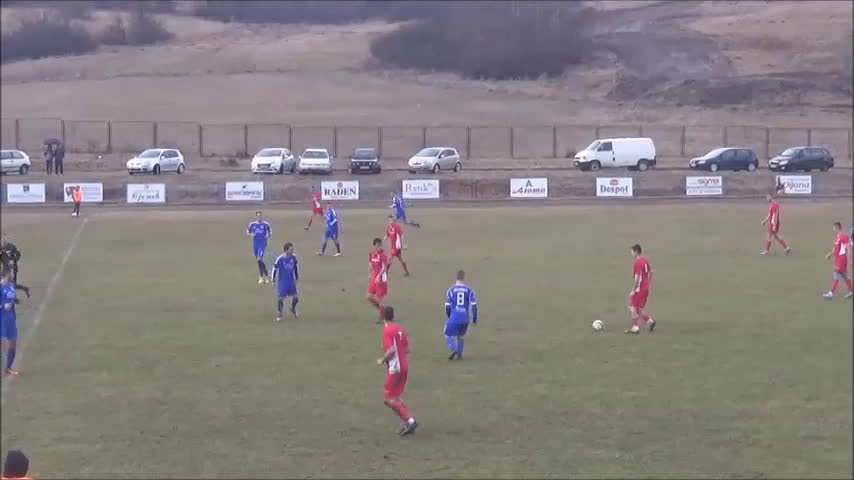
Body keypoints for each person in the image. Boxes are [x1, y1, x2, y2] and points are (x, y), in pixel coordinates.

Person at [376, 306, 418, 436]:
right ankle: (408, 422)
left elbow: (391, 350)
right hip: (404, 367)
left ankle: (410, 421)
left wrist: (382, 360)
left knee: (389, 399)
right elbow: (407, 349)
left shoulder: (387, 330)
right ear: (393, 316)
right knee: (394, 398)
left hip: (395, 369)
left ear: (383, 316)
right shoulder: (400, 329)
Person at [444, 270, 477, 360]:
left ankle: (453, 348)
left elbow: (447, 306)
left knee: (447, 334)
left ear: (456, 277)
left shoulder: (451, 290)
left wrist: (449, 316)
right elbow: (474, 305)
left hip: (455, 316)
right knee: (461, 335)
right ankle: (460, 354)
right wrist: (474, 319)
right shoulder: (469, 290)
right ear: (464, 278)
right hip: (465, 318)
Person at [626, 244, 656, 334]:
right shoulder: (645, 260)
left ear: (636, 252)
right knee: (638, 309)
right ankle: (650, 322)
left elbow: (638, 278)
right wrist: (647, 283)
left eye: (632, 251)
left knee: (632, 307)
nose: (631, 253)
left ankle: (635, 328)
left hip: (639, 289)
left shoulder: (637, 262)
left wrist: (633, 289)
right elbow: (651, 272)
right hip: (646, 288)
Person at [823, 222, 853, 299]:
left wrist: (850, 259)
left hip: (842, 259)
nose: (833, 229)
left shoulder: (843, 236)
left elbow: (848, 247)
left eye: (833, 227)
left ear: (837, 227)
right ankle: (851, 291)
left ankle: (831, 293)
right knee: (844, 275)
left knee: (836, 274)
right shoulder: (837, 237)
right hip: (838, 259)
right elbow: (835, 249)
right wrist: (829, 255)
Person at [271, 242, 300, 321]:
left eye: (292, 249)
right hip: (283, 282)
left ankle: (292, 308)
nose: (292, 251)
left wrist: (297, 277)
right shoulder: (280, 258)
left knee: (296, 298)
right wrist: (273, 280)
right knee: (280, 299)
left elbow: (295, 267)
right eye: (291, 249)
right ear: (286, 250)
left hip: (291, 281)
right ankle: (279, 314)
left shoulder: (294, 257)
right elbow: (274, 269)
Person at [760, 185, 790, 256]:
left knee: (769, 236)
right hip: (774, 223)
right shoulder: (774, 203)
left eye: (767, 197)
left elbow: (775, 215)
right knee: (776, 236)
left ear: (771, 197)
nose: (766, 198)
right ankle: (786, 248)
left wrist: (774, 225)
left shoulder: (773, 205)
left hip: (773, 223)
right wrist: (765, 221)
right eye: (766, 197)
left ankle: (766, 251)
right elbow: (770, 215)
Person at [1, 269, 20, 376]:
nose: (12, 275)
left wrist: (14, 302)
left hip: (11, 319)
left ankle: (8, 368)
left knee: (13, 343)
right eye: (10, 274)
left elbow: (13, 298)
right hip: (2, 318)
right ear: (5, 275)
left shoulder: (11, 285)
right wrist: (3, 306)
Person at [367, 238, 389, 323]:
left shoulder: (383, 255)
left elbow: (384, 267)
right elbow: (370, 264)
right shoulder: (371, 253)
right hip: (374, 278)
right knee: (369, 297)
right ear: (374, 246)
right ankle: (383, 311)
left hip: (381, 280)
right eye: (377, 245)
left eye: (380, 245)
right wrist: (370, 274)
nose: (379, 247)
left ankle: (381, 316)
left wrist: (378, 277)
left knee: (379, 299)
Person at [246, 211, 272, 284]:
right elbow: (247, 231)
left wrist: (268, 235)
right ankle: (265, 276)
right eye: (258, 216)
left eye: (260, 216)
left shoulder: (266, 224)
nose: (259, 217)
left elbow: (270, 232)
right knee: (259, 261)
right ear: (256, 216)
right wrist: (250, 234)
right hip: (255, 244)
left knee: (259, 259)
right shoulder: (252, 224)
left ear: (262, 216)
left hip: (262, 244)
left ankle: (263, 276)